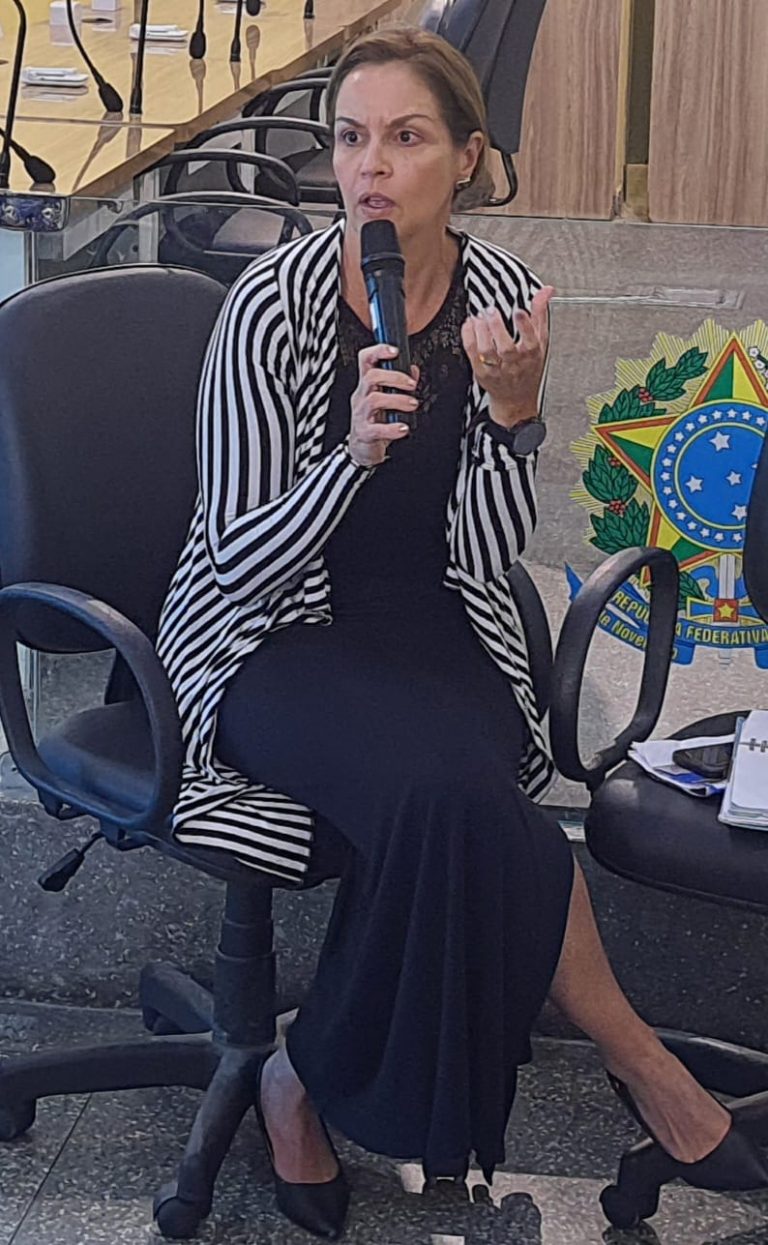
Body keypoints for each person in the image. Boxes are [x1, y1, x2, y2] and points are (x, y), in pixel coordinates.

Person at [156, 27, 768, 1241]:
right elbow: (235, 561)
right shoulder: (269, 310)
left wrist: (517, 417)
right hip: (272, 639)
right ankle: (642, 1067)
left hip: (442, 622)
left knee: (467, 793)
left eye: (406, 137)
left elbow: (486, 554)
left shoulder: (498, 298)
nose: (370, 167)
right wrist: (350, 458)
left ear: (469, 158)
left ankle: (303, 1070)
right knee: (460, 800)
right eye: (351, 138)